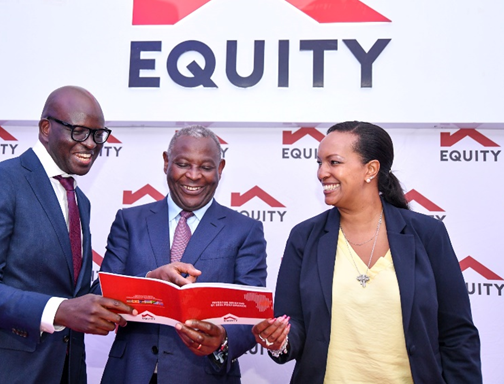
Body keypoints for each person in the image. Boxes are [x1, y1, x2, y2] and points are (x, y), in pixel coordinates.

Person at [252, 121, 481, 383]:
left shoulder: (427, 234)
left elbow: (457, 333)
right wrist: (278, 339)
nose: (322, 172)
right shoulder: (304, 237)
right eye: (319, 163)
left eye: (334, 162)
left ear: (370, 169)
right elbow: (294, 326)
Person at [0, 86, 136, 384]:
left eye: (99, 134)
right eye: (80, 131)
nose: (92, 144)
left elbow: (76, 296)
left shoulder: (78, 199)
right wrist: (60, 311)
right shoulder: (0, 181)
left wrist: (148, 283)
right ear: (46, 128)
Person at [96, 125, 267, 383]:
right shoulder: (129, 221)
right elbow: (98, 296)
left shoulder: (245, 230)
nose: (194, 176)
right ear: (166, 162)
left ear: (220, 169)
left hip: (203, 375)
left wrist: (222, 339)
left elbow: (252, 311)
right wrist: (151, 280)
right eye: (183, 164)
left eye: (206, 167)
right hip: (130, 374)